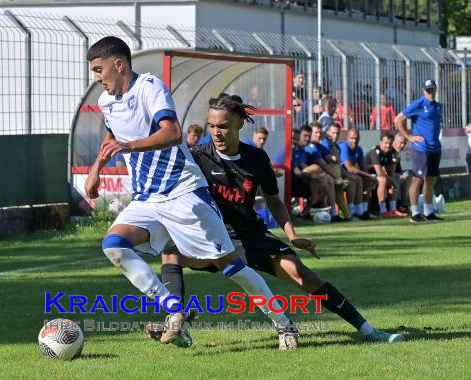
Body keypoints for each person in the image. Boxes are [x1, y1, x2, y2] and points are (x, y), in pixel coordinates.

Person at [148, 93, 404, 348]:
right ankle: (177, 322)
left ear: (239, 124)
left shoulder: (257, 159)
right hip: (212, 237)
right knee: (171, 254)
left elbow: (274, 201)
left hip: (249, 236)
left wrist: (292, 234)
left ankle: (369, 330)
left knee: (303, 275)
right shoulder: (197, 156)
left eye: (223, 126)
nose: (216, 133)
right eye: (212, 126)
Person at [84, 37, 293, 346]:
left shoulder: (149, 87)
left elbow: (172, 132)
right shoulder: (105, 102)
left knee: (231, 267)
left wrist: (127, 146)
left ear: (119, 65)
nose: (97, 79)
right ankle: (174, 313)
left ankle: (284, 324)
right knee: (114, 245)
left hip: (183, 192)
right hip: (147, 199)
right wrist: (96, 170)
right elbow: (112, 137)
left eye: (99, 70)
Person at [394, 79, 444, 222]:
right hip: (421, 148)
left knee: (430, 180)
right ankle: (415, 212)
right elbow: (398, 119)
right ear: (423, 91)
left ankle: (429, 212)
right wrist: (409, 136)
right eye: (428, 90)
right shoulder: (418, 104)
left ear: (435, 90)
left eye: (432, 90)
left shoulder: (438, 106)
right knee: (417, 179)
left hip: (435, 147)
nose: (430, 93)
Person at [322, 124, 362, 220]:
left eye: (337, 133)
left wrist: (345, 175)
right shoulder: (325, 144)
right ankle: (334, 214)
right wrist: (337, 177)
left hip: (337, 176)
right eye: (333, 133)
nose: (335, 135)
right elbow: (324, 164)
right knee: (333, 186)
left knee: (350, 182)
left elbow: (338, 166)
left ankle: (350, 215)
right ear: (327, 133)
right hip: (327, 177)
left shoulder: (337, 147)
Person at [363, 134, 407, 217]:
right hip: (366, 175)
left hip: (376, 175)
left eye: (390, 143)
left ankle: (394, 210)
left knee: (391, 180)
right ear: (380, 142)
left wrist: (394, 163)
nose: (388, 145)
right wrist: (393, 182)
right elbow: (379, 172)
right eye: (385, 143)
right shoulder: (375, 152)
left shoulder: (390, 153)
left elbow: (390, 172)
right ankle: (383, 211)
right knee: (384, 180)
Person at [339, 128, 376, 220]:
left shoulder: (358, 149)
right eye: (352, 138)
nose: (354, 141)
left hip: (350, 175)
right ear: (347, 138)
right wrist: (369, 175)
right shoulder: (344, 147)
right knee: (356, 179)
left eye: (357, 138)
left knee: (368, 181)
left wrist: (370, 178)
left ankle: (362, 210)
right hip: (339, 175)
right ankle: (351, 211)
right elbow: (350, 168)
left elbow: (363, 167)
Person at [391, 133, 411, 213]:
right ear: (394, 141)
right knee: (398, 179)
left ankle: (403, 206)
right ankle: (396, 207)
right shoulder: (389, 151)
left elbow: (398, 171)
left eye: (404, 143)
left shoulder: (396, 153)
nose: (402, 145)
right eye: (401, 143)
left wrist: (401, 176)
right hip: (382, 176)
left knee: (407, 178)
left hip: (392, 176)